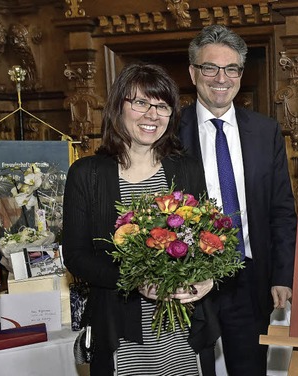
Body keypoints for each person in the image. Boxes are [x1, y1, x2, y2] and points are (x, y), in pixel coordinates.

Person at [63, 63, 217, 376]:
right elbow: (76, 257)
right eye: (140, 103)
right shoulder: (87, 174)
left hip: (184, 329)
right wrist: (137, 282)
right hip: (121, 329)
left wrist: (207, 278)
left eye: (162, 106)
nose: (152, 115)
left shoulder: (187, 169)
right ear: (118, 107)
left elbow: (207, 239)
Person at [179, 25, 297, 375]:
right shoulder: (170, 132)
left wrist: (283, 274)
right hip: (187, 277)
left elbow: (282, 210)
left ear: (241, 75)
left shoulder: (266, 131)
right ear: (193, 72)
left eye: (231, 69)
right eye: (210, 68)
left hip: (250, 277)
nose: (221, 78)